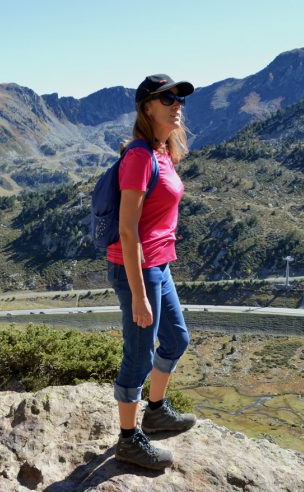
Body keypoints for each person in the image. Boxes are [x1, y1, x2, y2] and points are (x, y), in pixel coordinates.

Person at [107, 74, 197, 470]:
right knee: (139, 355)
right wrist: (139, 292)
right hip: (138, 271)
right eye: (167, 99)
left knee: (176, 339)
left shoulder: (162, 152)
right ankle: (128, 440)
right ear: (146, 108)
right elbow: (127, 230)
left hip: (159, 264)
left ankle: (156, 412)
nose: (177, 104)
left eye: (178, 98)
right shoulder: (140, 157)